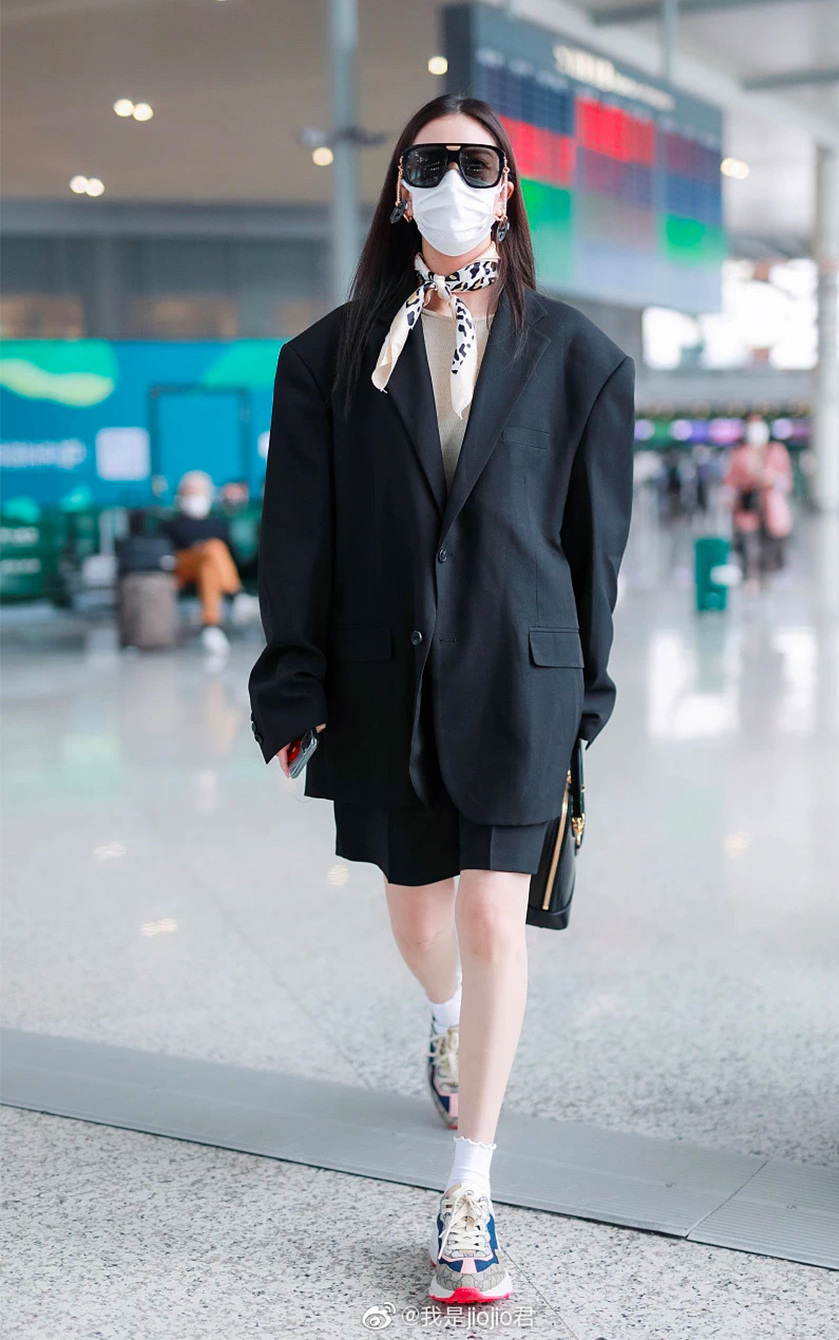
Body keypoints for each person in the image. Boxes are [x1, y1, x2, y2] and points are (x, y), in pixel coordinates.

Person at [247, 95, 635, 1305]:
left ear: (509, 186)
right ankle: (445, 1016)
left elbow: (596, 544)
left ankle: (472, 1188)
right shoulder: (326, 357)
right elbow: (296, 533)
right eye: (432, 161)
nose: (455, 181)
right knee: (420, 915)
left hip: (522, 674)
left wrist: (586, 690)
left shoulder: (578, 355)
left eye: (478, 162)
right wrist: (292, 679)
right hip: (383, 677)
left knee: (492, 913)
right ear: (400, 186)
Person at [161, 470, 257, 655]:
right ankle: (236, 595)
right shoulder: (171, 525)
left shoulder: (218, 524)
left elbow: (231, 556)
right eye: (190, 493)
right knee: (214, 548)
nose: (194, 498)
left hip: (210, 571)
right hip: (183, 568)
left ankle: (211, 625)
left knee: (211, 562)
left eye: (198, 493)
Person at [723, 413, 793, 594]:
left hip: (771, 509)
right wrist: (728, 498)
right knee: (749, 544)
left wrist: (772, 478)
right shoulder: (739, 454)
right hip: (747, 507)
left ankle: (766, 576)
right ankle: (750, 578)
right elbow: (730, 482)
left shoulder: (776, 451)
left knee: (770, 545)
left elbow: (786, 482)